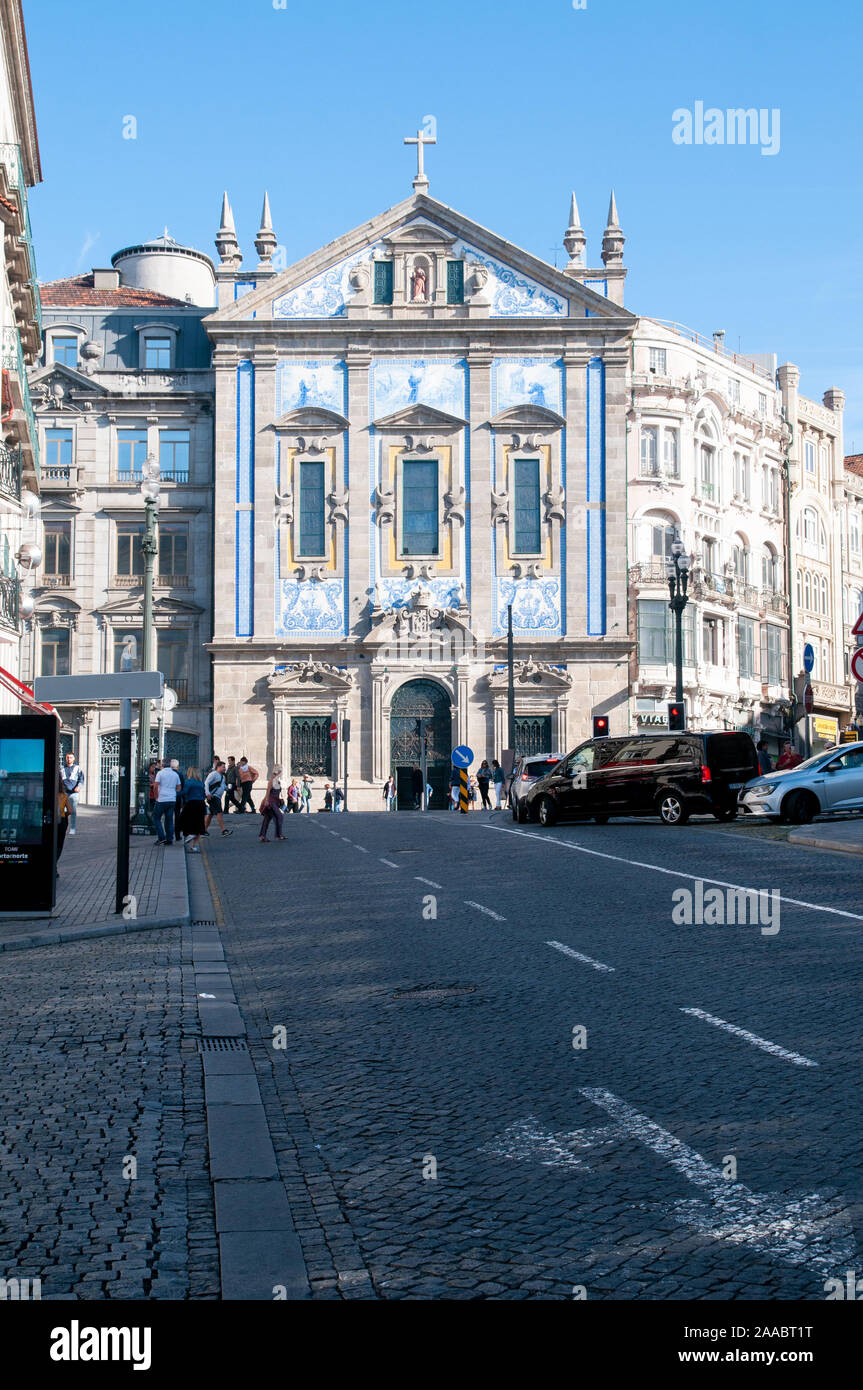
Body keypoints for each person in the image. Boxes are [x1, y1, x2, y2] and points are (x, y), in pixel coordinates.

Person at [153, 757, 182, 845]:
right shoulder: (175, 774)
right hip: (172, 799)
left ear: (162, 764)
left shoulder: (160, 774)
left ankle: (161, 837)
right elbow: (179, 788)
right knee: (169, 819)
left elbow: (155, 786)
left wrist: (156, 797)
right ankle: (169, 839)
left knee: (156, 818)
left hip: (161, 799)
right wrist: (172, 792)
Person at [180, 767, 207, 852]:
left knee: (184, 820)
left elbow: (184, 792)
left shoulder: (189, 782)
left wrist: (174, 793)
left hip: (191, 804)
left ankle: (190, 834)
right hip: (201, 804)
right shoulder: (201, 783)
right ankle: (193, 846)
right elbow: (204, 794)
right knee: (199, 825)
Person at [204, 761, 234, 838]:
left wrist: (227, 789)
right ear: (218, 767)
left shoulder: (222, 776)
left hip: (217, 797)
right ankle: (223, 830)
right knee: (219, 813)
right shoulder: (213, 774)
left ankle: (203, 830)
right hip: (213, 797)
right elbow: (206, 783)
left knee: (210, 814)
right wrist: (207, 793)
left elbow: (222, 785)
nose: (225, 768)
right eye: (223, 767)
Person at [60, 751, 84, 836]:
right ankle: (64, 826)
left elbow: (81, 779)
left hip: (74, 793)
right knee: (63, 810)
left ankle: (72, 828)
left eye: (70, 757)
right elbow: (59, 780)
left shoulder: (78, 768)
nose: (69, 759)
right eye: (67, 757)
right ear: (65, 758)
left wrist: (79, 787)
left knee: (72, 811)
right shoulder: (62, 768)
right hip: (64, 793)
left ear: (73, 758)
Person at [259, 766, 285, 842]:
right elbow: (268, 791)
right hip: (271, 801)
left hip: (275, 801)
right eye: (280, 771)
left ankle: (262, 836)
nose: (281, 773)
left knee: (267, 819)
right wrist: (266, 801)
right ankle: (279, 835)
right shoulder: (272, 780)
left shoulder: (277, 781)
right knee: (279, 816)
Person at [55, 774, 70, 875]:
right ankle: (54, 865)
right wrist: (64, 814)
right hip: (61, 821)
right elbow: (70, 810)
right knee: (59, 845)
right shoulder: (64, 795)